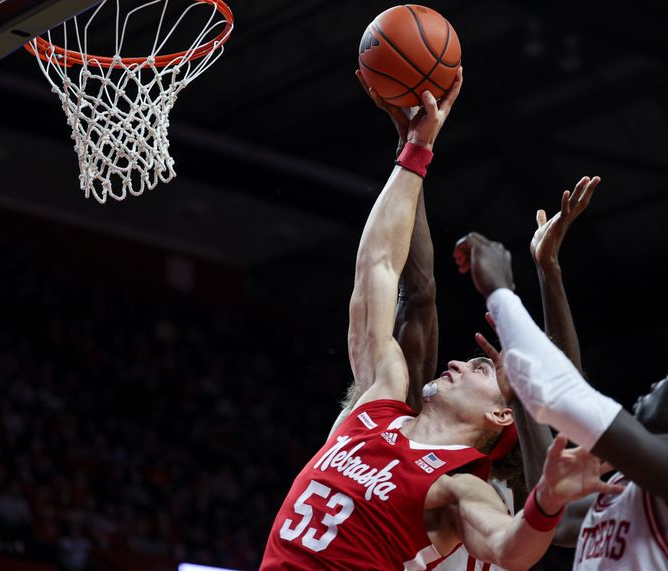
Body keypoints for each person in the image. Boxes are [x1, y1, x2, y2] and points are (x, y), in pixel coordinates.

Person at [260, 70, 621, 570]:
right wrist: (415, 150)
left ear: (502, 415)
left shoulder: (464, 487)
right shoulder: (377, 402)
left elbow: (510, 548)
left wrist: (547, 502)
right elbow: (380, 270)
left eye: (478, 369)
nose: (455, 360)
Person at [454, 227, 668, 570]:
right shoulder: (632, 489)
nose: (653, 384)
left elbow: (568, 395)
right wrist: (518, 396)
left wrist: (501, 292)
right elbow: (548, 508)